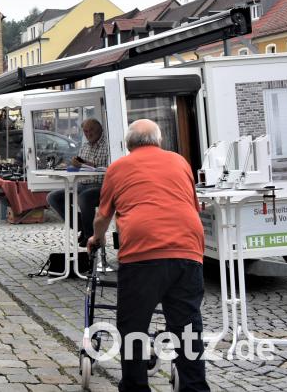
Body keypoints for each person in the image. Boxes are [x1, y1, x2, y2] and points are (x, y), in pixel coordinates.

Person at [87, 119, 210, 392]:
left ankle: (135, 387)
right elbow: (191, 205)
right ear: (159, 141)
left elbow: (102, 216)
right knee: (187, 325)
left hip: (142, 251)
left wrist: (96, 239)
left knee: (134, 325)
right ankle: (195, 387)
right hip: (187, 248)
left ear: (128, 144)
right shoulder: (180, 162)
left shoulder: (118, 167)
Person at [46, 118, 109, 246]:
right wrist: (75, 164)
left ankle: (90, 235)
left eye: (91, 130)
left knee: (84, 198)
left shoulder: (108, 145)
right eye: (85, 131)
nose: (88, 134)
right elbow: (81, 167)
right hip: (81, 184)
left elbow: (111, 166)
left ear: (100, 129)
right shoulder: (85, 146)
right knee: (53, 197)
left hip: (101, 185)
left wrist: (86, 164)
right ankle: (81, 226)